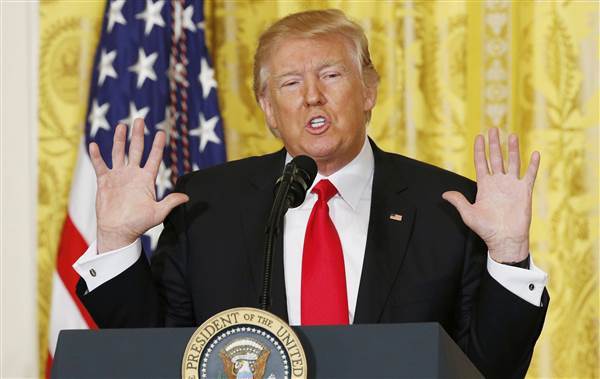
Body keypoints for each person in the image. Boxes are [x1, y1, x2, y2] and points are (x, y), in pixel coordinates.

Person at [74, 9, 548, 378]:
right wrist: (116, 242)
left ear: (369, 90)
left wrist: (508, 255)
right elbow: (155, 353)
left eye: (331, 75)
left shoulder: (445, 205)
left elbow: (490, 370)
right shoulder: (206, 205)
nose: (312, 96)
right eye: (290, 83)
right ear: (269, 109)